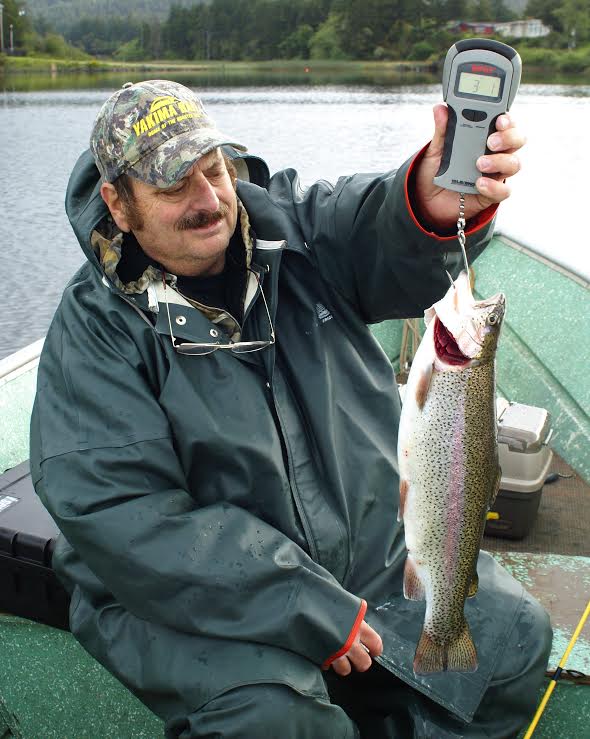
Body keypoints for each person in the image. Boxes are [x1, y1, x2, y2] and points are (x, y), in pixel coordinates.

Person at [30, 79, 551, 738]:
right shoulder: (94, 332)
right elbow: (125, 518)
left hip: (361, 551)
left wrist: (431, 196)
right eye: (172, 186)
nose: (208, 200)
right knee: (279, 719)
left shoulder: (294, 228)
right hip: (182, 596)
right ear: (119, 203)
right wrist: (306, 604)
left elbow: (374, 226)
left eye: (213, 169)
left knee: (511, 639)